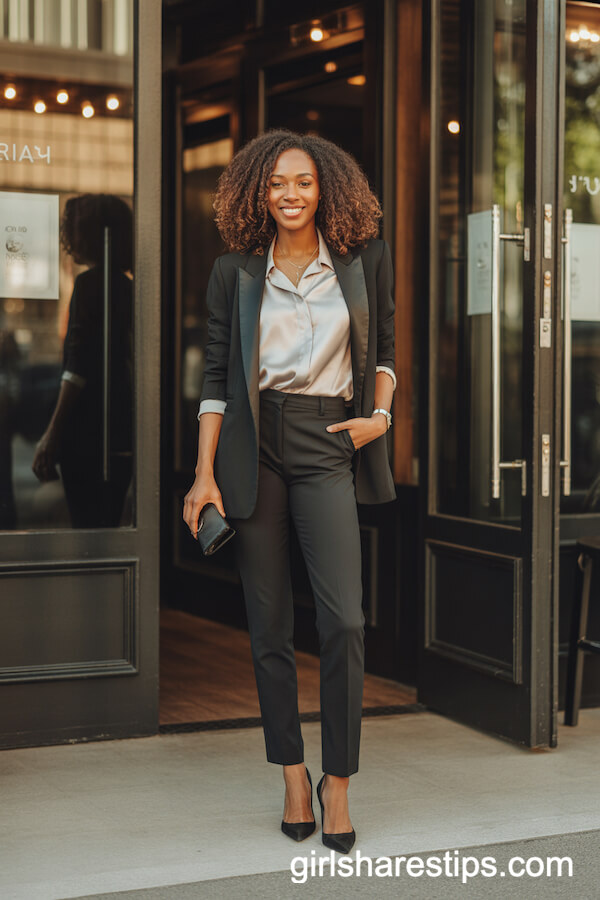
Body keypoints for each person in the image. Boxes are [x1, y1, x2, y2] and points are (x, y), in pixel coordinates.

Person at [183, 129, 396, 852]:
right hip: (253, 443)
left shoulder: (363, 261)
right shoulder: (235, 272)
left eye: (302, 181)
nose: (291, 195)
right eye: (277, 183)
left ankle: (339, 783)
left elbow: (386, 349)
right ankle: (293, 775)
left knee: (344, 620)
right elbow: (216, 378)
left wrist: (380, 419)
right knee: (268, 625)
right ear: (257, 193)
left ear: (326, 187)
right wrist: (204, 473)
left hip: (330, 437)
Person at [32, 194, 133, 528]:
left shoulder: (89, 284)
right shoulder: (128, 287)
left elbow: (77, 368)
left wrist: (51, 434)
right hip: (119, 430)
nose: (67, 239)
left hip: (88, 435)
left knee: (88, 526)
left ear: (90, 234)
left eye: (73, 229)